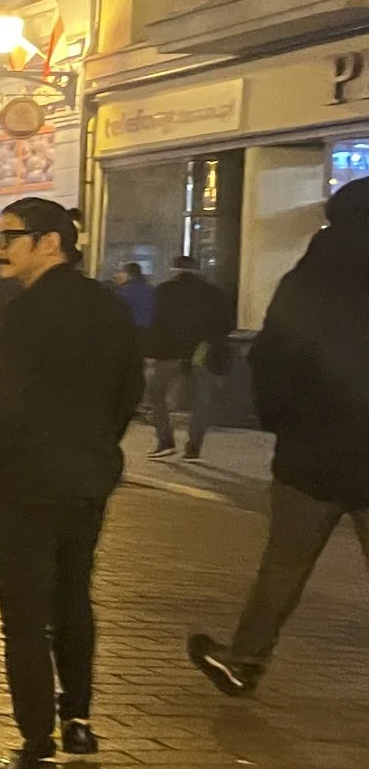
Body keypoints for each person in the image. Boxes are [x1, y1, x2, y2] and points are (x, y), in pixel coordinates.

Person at [0, 197, 145, 769]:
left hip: (23, 480)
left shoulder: (27, 309)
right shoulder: (109, 306)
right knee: (73, 596)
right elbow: (130, 389)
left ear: (50, 242)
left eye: (8, 238)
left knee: (24, 614)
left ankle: (35, 746)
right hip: (87, 475)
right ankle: (79, 721)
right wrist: (96, 444)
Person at [189, 179, 369, 696]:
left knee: (284, 567)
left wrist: (280, 420)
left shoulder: (308, 280)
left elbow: (272, 361)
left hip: (311, 452)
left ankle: (244, 659)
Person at [145, 253, 234, 460]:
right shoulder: (213, 292)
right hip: (202, 353)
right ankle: (194, 446)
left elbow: (157, 323)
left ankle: (165, 441)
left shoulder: (165, 291)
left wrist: (151, 352)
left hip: (170, 353)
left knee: (155, 395)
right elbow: (226, 323)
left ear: (174, 269)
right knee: (201, 401)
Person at [113, 261, 158, 338]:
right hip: (149, 332)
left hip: (130, 332)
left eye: (121, 272)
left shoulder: (124, 291)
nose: (115, 276)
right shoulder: (151, 289)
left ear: (129, 275)